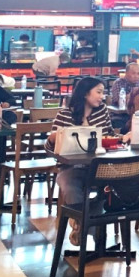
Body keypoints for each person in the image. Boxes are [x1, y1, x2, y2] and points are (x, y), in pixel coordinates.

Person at [44, 77, 115, 243]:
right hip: (71, 167)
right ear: (85, 93)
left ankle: (80, 226)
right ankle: (84, 226)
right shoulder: (64, 114)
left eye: (103, 93)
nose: (102, 97)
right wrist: (53, 138)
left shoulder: (102, 111)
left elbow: (110, 135)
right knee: (69, 185)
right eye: (98, 92)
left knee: (111, 187)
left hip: (99, 166)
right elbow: (49, 148)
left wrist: (121, 137)